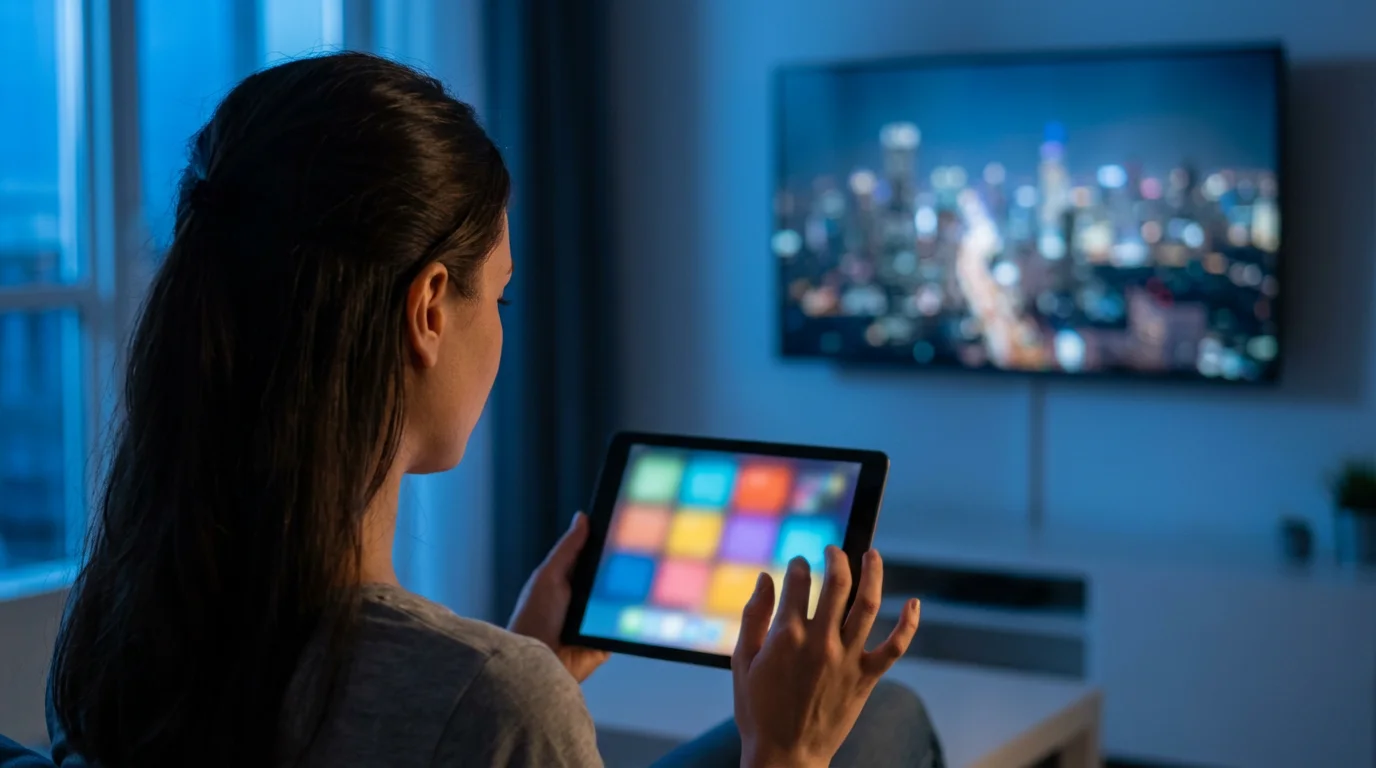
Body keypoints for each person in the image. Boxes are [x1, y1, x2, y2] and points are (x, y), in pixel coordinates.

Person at [6, 52, 943, 768]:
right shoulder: (499, 703)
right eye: (499, 297)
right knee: (887, 724)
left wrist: (531, 656)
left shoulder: (117, 630)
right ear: (426, 310)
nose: (500, 331)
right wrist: (786, 751)